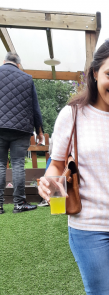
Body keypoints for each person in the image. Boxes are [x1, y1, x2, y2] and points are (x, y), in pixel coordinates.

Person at [38, 36, 109, 295]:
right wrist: (48, 183)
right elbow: (56, 164)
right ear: (94, 73)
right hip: (87, 226)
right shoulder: (73, 114)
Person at [0, 52, 43, 214]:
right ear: (19, 65)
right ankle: (19, 203)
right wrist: (39, 131)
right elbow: (35, 108)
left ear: (4, 62)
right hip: (21, 129)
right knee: (18, 163)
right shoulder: (26, 78)